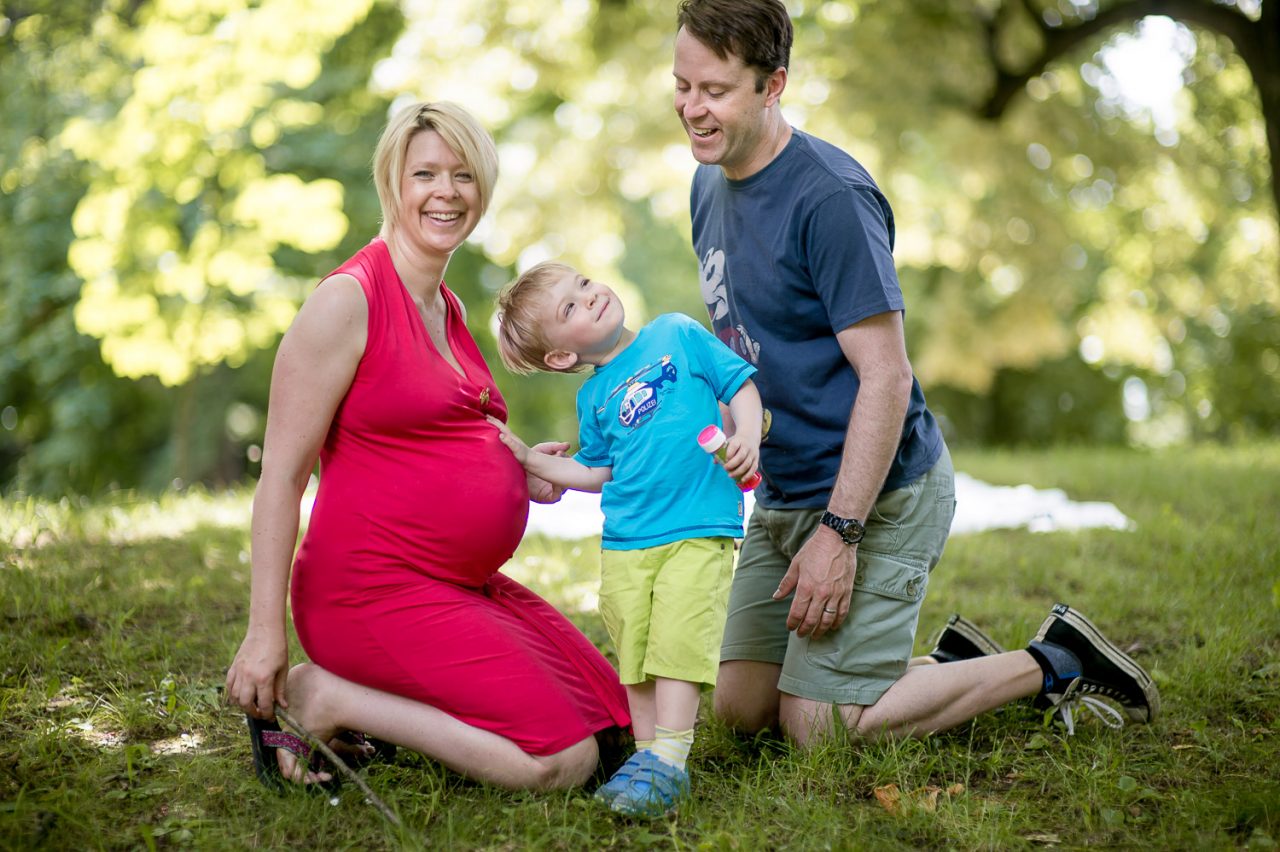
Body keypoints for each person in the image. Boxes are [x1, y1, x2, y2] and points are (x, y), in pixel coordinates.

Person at [671, 0, 1159, 746]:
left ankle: (1054, 658)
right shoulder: (708, 185)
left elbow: (888, 378)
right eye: (682, 86)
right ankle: (950, 666)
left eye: (715, 91)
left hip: (880, 494)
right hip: (786, 493)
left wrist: (839, 533)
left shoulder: (830, 198)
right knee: (741, 713)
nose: (692, 109)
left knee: (818, 727)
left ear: (774, 86)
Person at [224, 101, 631, 793]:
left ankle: (380, 705)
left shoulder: (450, 308)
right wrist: (265, 632)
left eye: (464, 175)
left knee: (613, 723)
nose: (447, 191)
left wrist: (520, 468)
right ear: (393, 184)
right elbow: (282, 479)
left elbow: (440, 431)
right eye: (427, 174)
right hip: (371, 591)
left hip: (455, 584)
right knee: (564, 762)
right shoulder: (346, 302)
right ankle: (326, 696)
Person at [486, 260, 763, 815]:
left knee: (678, 639)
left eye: (584, 284)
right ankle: (645, 759)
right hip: (627, 541)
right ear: (562, 356)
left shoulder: (675, 333)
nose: (589, 297)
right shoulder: (593, 399)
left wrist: (749, 436)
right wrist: (528, 462)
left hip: (697, 525)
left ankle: (672, 761)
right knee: (635, 650)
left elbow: (742, 386)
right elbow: (594, 471)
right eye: (570, 307)